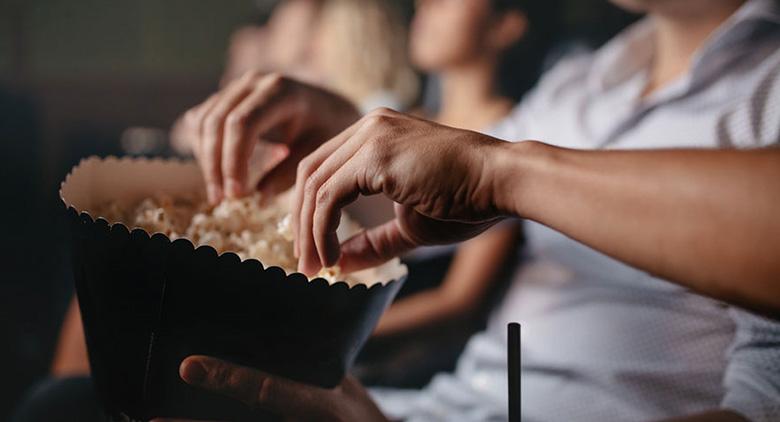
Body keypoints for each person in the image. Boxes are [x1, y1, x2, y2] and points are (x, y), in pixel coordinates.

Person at [177, 0, 780, 420]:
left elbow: (761, 403)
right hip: (448, 404)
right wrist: (339, 131)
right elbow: (453, 190)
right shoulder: (581, 81)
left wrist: (500, 171)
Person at [355, 0, 559, 387]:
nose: (425, 4)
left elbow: (459, 302)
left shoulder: (513, 141)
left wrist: (337, 326)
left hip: (413, 360)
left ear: (507, 26)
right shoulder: (398, 121)